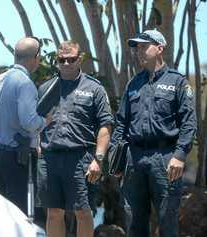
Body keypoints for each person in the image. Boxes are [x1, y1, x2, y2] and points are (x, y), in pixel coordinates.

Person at [112, 29, 197, 237]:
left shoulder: (178, 82)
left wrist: (179, 156)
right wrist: (117, 159)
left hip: (165, 158)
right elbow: (122, 122)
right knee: (134, 221)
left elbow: (189, 123)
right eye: (137, 48)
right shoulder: (134, 83)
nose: (139, 52)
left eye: (144, 46)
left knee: (167, 221)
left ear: (159, 49)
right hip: (135, 159)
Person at [38, 41, 114, 237]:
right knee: (54, 213)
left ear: (80, 59)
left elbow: (105, 126)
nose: (66, 64)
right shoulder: (46, 89)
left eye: (70, 59)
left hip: (80, 158)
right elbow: (35, 123)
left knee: (83, 211)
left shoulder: (94, 88)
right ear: (56, 61)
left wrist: (98, 159)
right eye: (61, 60)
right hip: (50, 158)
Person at [0, 37, 48, 214]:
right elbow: (30, 123)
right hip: (18, 160)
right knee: (19, 215)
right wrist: (47, 120)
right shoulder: (25, 83)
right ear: (36, 57)